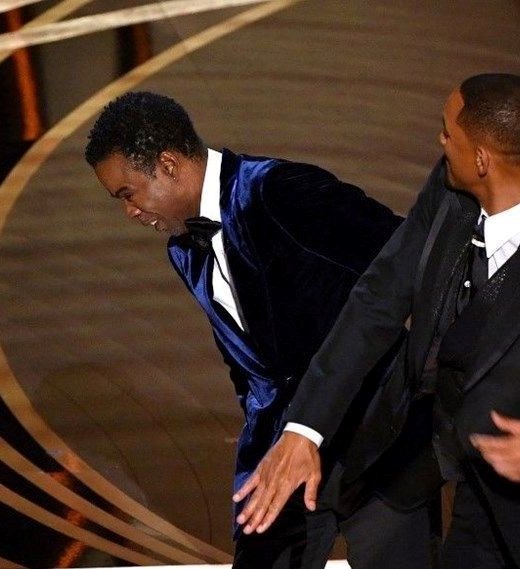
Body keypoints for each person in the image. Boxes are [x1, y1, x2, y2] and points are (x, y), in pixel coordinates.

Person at [234, 74, 520, 569]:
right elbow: (377, 301)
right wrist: (304, 429)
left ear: (481, 159)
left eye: (447, 132)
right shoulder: (451, 188)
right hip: (434, 455)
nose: (440, 141)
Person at [85, 92, 435, 569]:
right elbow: (244, 360)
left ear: (167, 164)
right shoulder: (184, 250)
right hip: (280, 452)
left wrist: (433, 369)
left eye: (128, 194)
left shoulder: (278, 191)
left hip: (379, 441)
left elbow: (406, 255)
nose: (130, 211)